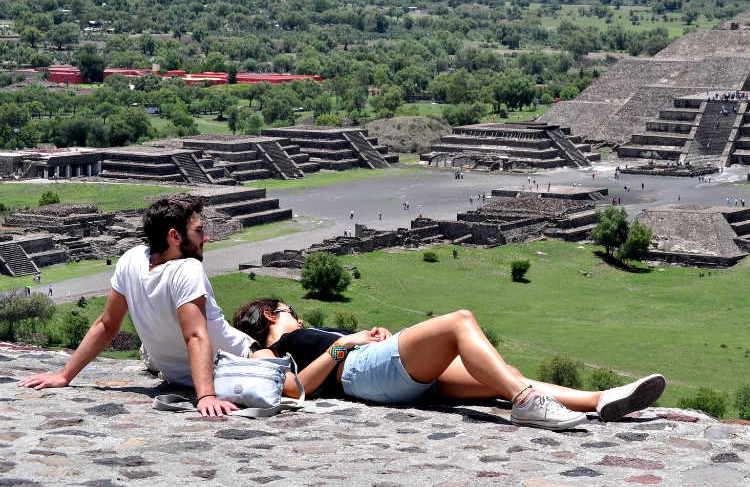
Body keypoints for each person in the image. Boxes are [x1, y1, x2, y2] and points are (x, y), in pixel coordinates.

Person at [233, 299, 666, 431]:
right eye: (290, 310)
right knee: (460, 322)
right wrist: (343, 346)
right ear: (271, 315)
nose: (299, 317)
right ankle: (526, 404)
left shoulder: (309, 334)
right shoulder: (269, 348)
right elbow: (293, 390)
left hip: (379, 371)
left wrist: (369, 335)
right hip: (363, 373)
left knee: (498, 373)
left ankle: (601, 400)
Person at [18, 196, 250, 417]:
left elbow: (107, 325)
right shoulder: (188, 268)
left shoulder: (131, 259)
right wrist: (206, 396)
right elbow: (195, 336)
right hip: (238, 360)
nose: (206, 237)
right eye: (199, 230)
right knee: (276, 322)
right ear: (175, 237)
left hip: (180, 375)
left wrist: (64, 375)